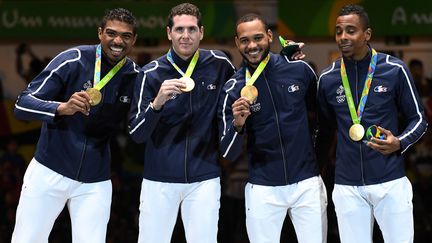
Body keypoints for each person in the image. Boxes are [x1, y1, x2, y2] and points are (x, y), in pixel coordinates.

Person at [11, 8, 138, 243]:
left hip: (95, 180)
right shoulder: (74, 59)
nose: (118, 41)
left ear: (133, 40)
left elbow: (141, 126)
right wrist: (62, 108)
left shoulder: (134, 76)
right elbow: (22, 104)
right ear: (100, 33)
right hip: (49, 171)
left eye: (126, 36)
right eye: (111, 33)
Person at [316, 4, 428, 243]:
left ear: (367, 34)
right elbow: (323, 133)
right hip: (347, 186)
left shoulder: (394, 69)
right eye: (338, 31)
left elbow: (419, 119)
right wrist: (314, 171)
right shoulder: (327, 78)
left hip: (390, 181)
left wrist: (399, 142)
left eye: (350, 30)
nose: (343, 37)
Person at [128, 3, 236, 243]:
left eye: (191, 29)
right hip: (159, 180)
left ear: (201, 32)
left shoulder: (220, 64)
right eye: (179, 30)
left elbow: (249, 82)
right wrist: (157, 104)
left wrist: (287, 62)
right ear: (169, 33)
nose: (185, 36)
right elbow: (136, 133)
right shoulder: (151, 73)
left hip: (204, 178)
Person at [219, 13, 327, 243]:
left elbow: (322, 119)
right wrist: (238, 125)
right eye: (245, 40)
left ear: (269, 36)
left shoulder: (300, 70)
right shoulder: (234, 88)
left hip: (306, 182)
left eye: (258, 37)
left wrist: (316, 162)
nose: (252, 45)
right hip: (262, 187)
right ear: (237, 43)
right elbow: (227, 150)